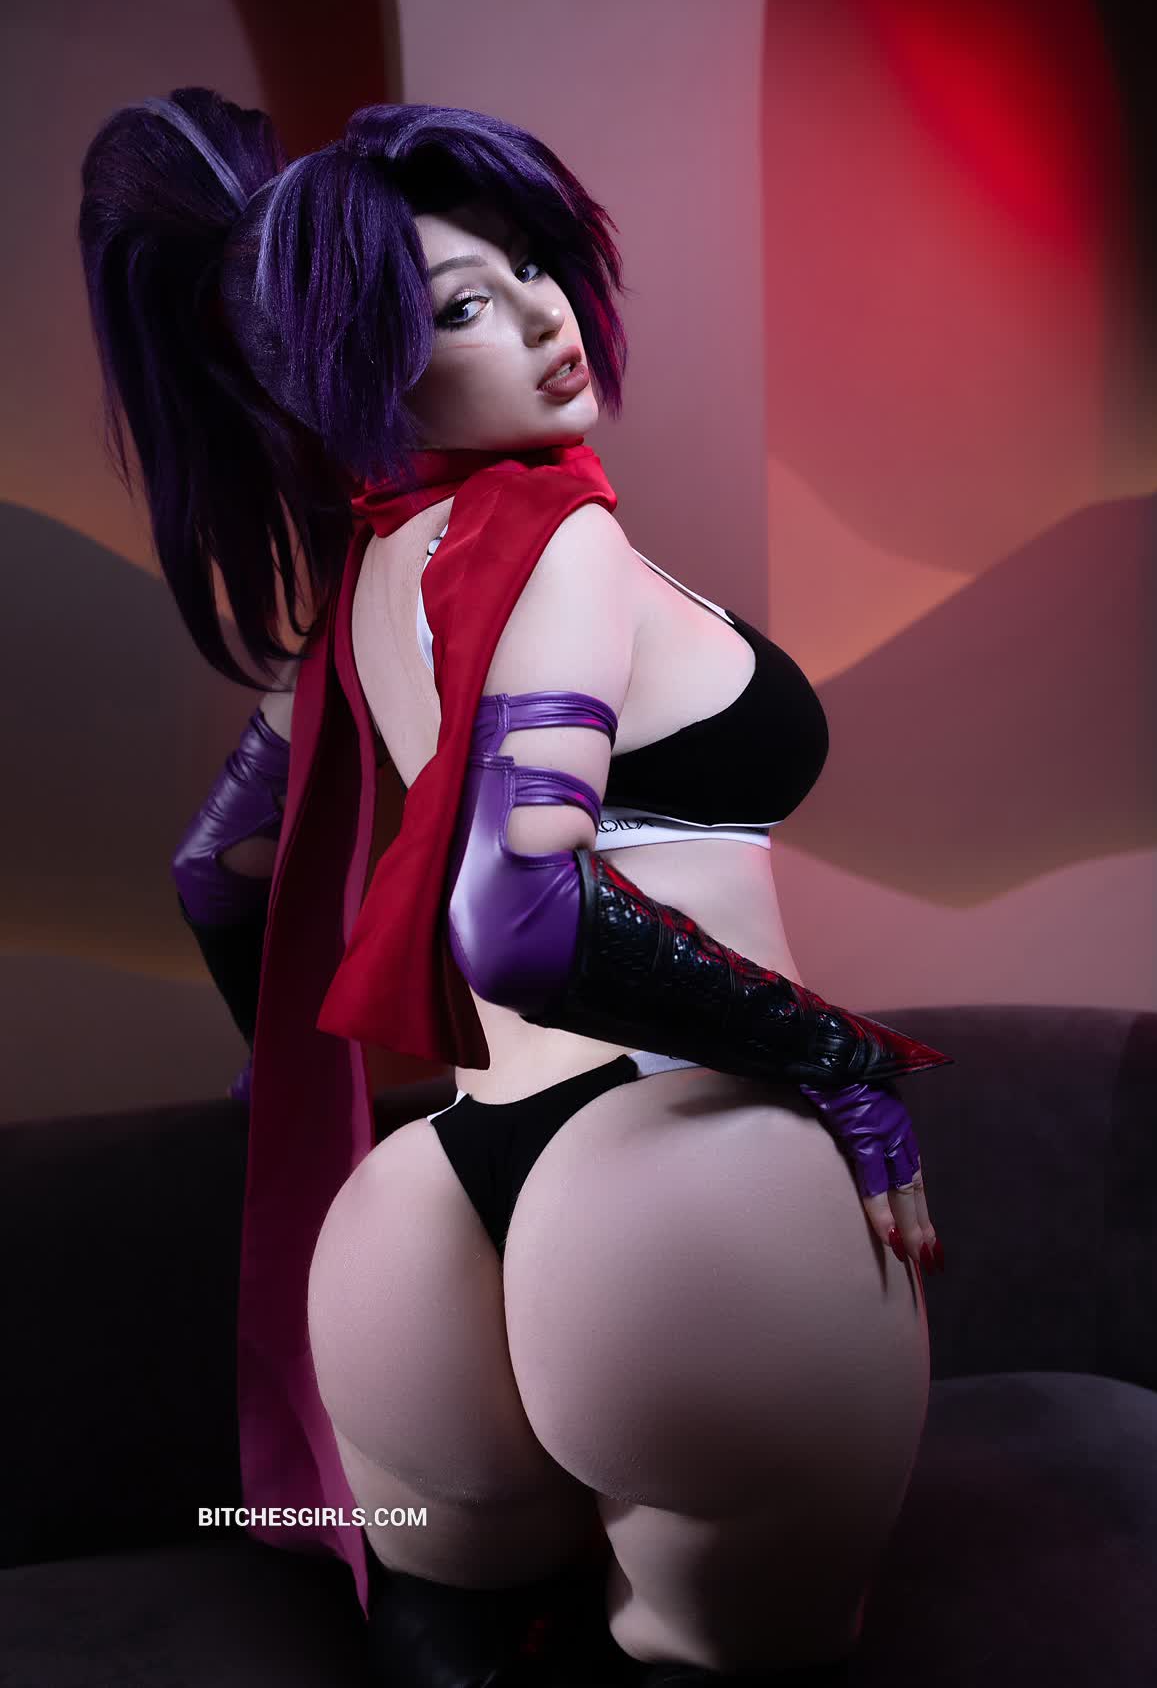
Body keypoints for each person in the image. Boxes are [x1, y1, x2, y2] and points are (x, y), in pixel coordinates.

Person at [78, 88, 951, 1687]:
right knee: (739, 1649)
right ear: (354, 371)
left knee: (457, 1635)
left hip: (424, 1218)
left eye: (530, 263)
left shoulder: (366, 587)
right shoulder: (555, 542)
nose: (547, 313)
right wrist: (839, 1057)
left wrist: (292, 1069)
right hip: (682, 1179)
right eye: (463, 306)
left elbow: (221, 873)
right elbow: (519, 915)